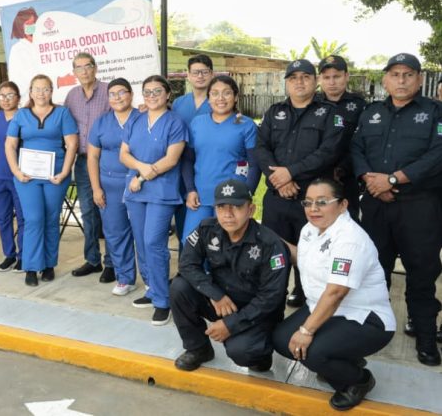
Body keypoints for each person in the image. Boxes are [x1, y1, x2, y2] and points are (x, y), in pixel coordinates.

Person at [351, 53, 442, 366]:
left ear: (419, 80)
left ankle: (427, 340)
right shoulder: (371, 113)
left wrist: (392, 180)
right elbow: (356, 148)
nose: (401, 81)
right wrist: (370, 180)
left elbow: (437, 155)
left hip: (420, 207)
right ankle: (372, 332)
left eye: (408, 75)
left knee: (422, 275)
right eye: (395, 74)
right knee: (375, 273)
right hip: (377, 206)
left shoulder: (435, 113)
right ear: (385, 79)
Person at [273, 178, 395, 411]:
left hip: (365, 317)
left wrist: (306, 331)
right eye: (307, 203)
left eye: (322, 202)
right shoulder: (311, 229)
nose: (313, 209)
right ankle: (345, 358)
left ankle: (358, 380)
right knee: (281, 340)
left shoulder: (350, 239)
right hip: (326, 308)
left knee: (310, 351)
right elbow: (304, 258)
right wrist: (273, 240)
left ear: (343, 204)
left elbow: (337, 292)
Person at [254, 59, 345, 308]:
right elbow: (261, 148)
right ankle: (273, 301)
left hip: (312, 199)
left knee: (313, 252)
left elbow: (329, 151)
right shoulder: (274, 112)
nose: (299, 82)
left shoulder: (330, 113)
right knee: (274, 252)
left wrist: (291, 173)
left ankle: (307, 298)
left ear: (315, 82)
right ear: (286, 83)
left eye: (305, 77)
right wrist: (279, 181)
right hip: (277, 197)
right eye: (293, 78)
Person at [171, 179, 288, 372]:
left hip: (256, 311)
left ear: (251, 210)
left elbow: (271, 298)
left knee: (242, 352)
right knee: (179, 287)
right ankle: (198, 349)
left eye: (236, 207)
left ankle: (260, 354)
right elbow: (187, 264)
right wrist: (215, 294)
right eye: (221, 207)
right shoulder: (207, 229)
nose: (227, 214)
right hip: (223, 301)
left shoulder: (270, 244)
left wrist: (230, 325)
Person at [120, 75, 186, 326]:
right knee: (141, 242)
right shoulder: (136, 120)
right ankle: (152, 288)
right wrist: (140, 171)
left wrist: (146, 175)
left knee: (154, 242)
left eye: (157, 91)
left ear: (168, 94)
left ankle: (162, 301)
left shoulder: (175, 122)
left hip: (161, 190)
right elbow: (123, 154)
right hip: (136, 189)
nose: (152, 95)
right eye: (147, 91)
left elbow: (172, 159)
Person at [5, 74, 78, 287]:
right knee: (34, 218)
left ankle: (48, 265)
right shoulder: (21, 115)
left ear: (51, 91)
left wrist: (65, 173)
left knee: (51, 219)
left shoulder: (62, 113)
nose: (41, 93)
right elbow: (10, 146)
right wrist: (17, 172)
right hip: (26, 177)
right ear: (30, 92)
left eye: (45, 89)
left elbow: (72, 144)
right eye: (37, 89)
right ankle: (30, 265)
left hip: (55, 176)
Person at [182, 75, 260, 240]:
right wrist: (190, 190)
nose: (221, 98)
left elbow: (254, 164)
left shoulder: (246, 125)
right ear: (208, 97)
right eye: (215, 93)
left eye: (227, 93)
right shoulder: (197, 123)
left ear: (236, 97)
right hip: (200, 197)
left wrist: (246, 195)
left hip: (231, 198)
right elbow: (188, 160)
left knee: (224, 246)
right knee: (192, 242)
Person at [88, 78, 139, 296]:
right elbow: (92, 157)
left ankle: (151, 279)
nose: (117, 97)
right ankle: (125, 277)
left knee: (144, 235)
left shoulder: (143, 118)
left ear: (131, 94)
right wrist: (96, 188)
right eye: (112, 94)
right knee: (115, 233)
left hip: (139, 183)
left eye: (122, 92)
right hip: (108, 185)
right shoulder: (101, 122)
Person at [64, 52, 113, 282]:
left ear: (95, 68)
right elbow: (65, 128)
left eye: (87, 66)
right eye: (78, 67)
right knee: (88, 212)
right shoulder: (71, 96)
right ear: (74, 72)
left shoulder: (108, 92)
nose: (84, 71)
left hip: (108, 160)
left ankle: (112, 263)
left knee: (110, 213)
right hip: (83, 162)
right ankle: (93, 260)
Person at [170, 54, 214, 255]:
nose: (200, 76)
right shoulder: (179, 103)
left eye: (205, 72)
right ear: (187, 75)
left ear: (212, 74)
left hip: (206, 166)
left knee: (208, 225)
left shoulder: (217, 101)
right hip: (179, 167)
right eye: (195, 72)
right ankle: (185, 268)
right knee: (183, 223)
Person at [316, 55, 366, 219]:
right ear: (319, 79)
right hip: (315, 175)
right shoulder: (312, 104)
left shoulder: (360, 105)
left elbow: (363, 142)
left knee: (348, 224)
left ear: (346, 76)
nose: (332, 82)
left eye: (336, 76)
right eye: (326, 77)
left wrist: (344, 167)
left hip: (346, 177)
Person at [0, 81, 25, 272]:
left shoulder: (25, 117)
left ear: (18, 98)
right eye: (2, 95)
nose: (6, 99)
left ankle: (23, 256)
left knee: (23, 218)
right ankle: (9, 254)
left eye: (10, 95)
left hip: (19, 176)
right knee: (2, 218)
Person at [7, 7, 39, 93]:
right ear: (21, 27)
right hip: (27, 98)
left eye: (34, 23)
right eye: (29, 24)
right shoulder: (18, 49)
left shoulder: (40, 44)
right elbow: (31, 76)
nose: (32, 27)